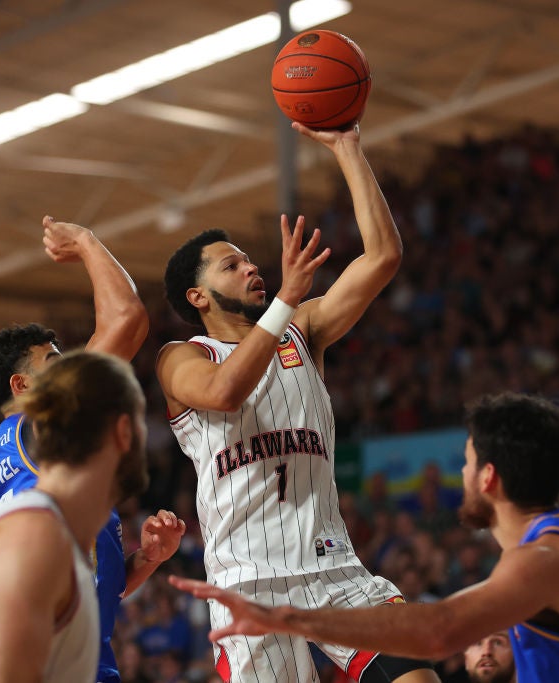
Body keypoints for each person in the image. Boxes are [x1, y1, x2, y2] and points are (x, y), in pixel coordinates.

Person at [171, 393, 559, 682]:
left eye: (465, 463)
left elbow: (440, 632)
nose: (462, 474)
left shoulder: (551, 557)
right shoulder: (550, 550)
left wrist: (285, 618)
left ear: (488, 478)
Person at [157, 122, 436, 683]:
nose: (251, 266)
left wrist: (348, 148)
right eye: (230, 265)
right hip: (248, 583)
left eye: (247, 259)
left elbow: (382, 257)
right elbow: (222, 392)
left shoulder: (300, 330)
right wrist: (285, 297)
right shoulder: (181, 358)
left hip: (334, 566)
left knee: (417, 673)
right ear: (198, 296)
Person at [0, 351, 185, 682]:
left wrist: (149, 559)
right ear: (123, 431)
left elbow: (98, 592)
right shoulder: (35, 534)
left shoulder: (55, 530)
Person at [0, 215, 154, 683]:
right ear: (24, 385)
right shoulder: (42, 423)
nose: (71, 364)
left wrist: (148, 559)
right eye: (54, 360)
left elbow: (89, 585)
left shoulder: (19, 458)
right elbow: (127, 320)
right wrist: (87, 243)